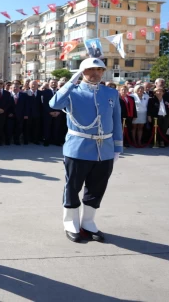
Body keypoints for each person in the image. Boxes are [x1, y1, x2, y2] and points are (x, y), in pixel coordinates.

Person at [49, 58, 122, 243]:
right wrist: (72, 81)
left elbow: (116, 120)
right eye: (90, 70)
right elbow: (54, 104)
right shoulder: (73, 92)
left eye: (99, 70)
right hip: (78, 149)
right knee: (73, 187)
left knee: (97, 188)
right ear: (82, 72)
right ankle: (70, 223)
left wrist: (117, 148)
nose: (96, 73)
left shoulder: (111, 93)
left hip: (104, 150)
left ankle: (88, 222)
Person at [7, 81, 28, 145]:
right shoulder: (8, 95)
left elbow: (26, 105)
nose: (15, 88)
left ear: (19, 88)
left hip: (20, 115)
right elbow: (6, 105)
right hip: (10, 115)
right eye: (14, 87)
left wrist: (25, 114)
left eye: (17, 87)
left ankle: (17, 140)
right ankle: (8, 141)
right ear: (11, 88)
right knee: (9, 128)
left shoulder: (24, 95)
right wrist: (8, 113)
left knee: (18, 129)